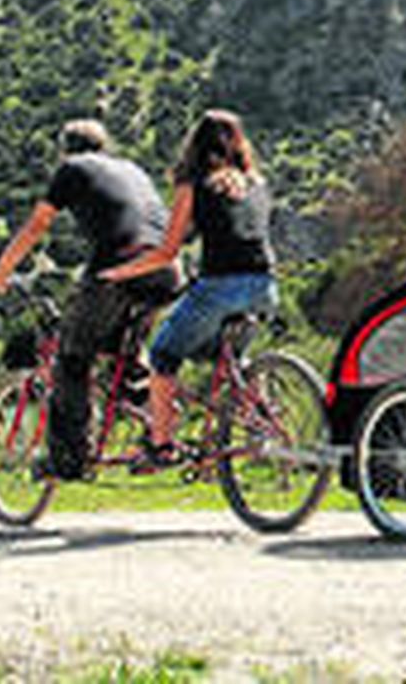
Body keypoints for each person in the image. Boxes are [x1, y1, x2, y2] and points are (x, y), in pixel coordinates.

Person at [0, 119, 180, 480]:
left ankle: (69, 460)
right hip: (166, 270)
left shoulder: (72, 168)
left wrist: (1, 272)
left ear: (65, 149)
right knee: (127, 354)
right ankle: (158, 429)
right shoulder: (131, 168)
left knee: (73, 359)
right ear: (103, 146)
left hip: (118, 266)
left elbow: (37, 224)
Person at [102, 110, 277, 471]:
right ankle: (256, 414)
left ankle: (161, 444)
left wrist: (122, 271)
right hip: (264, 287)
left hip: (219, 288)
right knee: (229, 361)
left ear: (195, 145)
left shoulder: (194, 184)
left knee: (163, 354)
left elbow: (168, 251)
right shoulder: (257, 183)